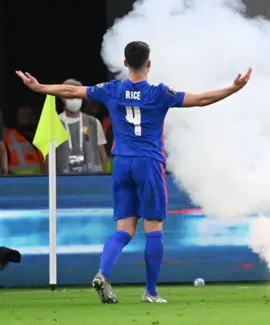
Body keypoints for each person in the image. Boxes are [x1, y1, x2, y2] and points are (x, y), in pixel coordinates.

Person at [15, 41, 252, 303]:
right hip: (148, 163)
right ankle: (150, 291)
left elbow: (72, 90)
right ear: (149, 64)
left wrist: (39, 87)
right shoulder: (160, 93)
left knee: (124, 228)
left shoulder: (112, 90)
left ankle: (103, 273)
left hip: (122, 164)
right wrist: (233, 88)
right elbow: (200, 100)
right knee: (154, 227)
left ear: (125, 63)